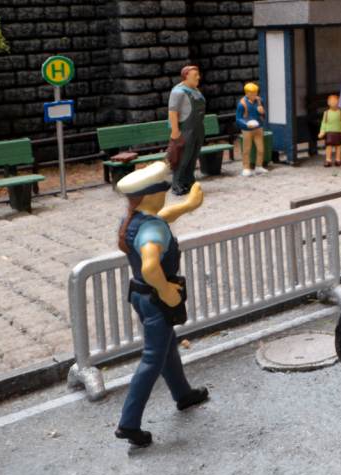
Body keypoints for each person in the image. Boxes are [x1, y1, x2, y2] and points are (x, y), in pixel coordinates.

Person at [112, 162, 210, 448]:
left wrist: (188, 206)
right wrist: (166, 291)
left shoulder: (133, 220)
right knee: (152, 359)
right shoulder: (151, 231)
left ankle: (183, 394)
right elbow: (150, 266)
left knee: (166, 346)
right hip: (156, 298)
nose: (165, 196)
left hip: (140, 295)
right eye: (162, 192)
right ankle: (129, 423)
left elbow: (162, 218)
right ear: (152, 195)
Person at [167, 65, 206, 195]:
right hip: (186, 130)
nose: (198, 77)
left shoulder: (195, 90)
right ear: (186, 76)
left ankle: (189, 181)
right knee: (183, 158)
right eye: (195, 75)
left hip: (198, 128)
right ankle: (177, 183)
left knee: (193, 157)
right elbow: (173, 112)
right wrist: (175, 131)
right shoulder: (178, 92)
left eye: (198, 75)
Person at [235, 82, 268, 177]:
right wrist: (246, 124)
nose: (254, 95)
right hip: (247, 130)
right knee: (247, 149)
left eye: (256, 92)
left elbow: (264, 115)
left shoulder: (259, 101)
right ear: (247, 93)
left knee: (260, 149)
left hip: (258, 128)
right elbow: (238, 118)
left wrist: (262, 112)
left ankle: (259, 166)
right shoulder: (242, 104)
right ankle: (246, 168)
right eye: (252, 93)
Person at [318, 94, 341, 167]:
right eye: (331, 101)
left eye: (335, 101)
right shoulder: (326, 113)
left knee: (338, 147)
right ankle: (328, 160)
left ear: (338, 102)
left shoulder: (340, 112)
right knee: (329, 146)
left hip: (337, 132)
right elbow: (323, 123)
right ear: (328, 102)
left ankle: (338, 159)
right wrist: (322, 132)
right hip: (329, 133)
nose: (333, 103)